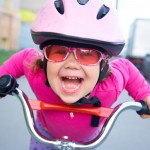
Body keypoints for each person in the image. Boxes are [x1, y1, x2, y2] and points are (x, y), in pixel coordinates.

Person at [0, 0, 150, 149]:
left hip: (87, 142)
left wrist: (145, 95)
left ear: (103, 65)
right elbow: (23, 57)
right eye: (59, 51)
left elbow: (127, 68)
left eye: (87, 54)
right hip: (44, 135)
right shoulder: (37, 74)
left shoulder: (111, 85)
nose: (71, 64)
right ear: (44, 60)